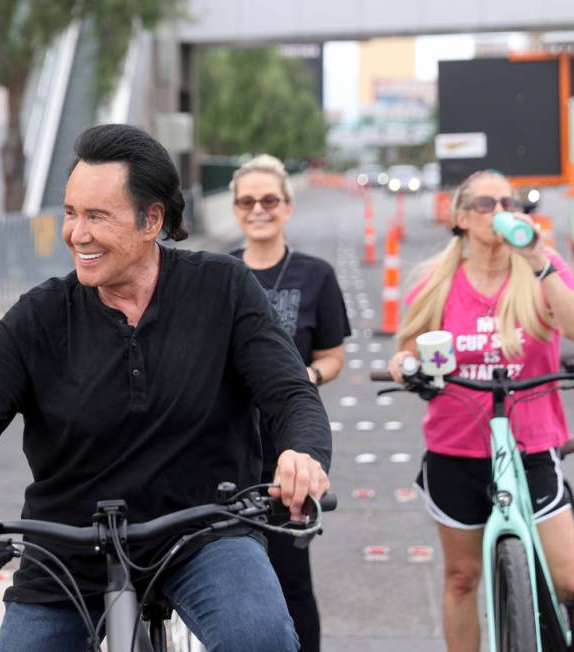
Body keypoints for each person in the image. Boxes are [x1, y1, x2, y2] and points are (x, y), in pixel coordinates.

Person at [0, 124, 331, 651]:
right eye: (71, 213)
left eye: (97, 216)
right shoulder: (39, 316)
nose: (77, 233)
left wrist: (302, 454)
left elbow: (290, 393)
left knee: (260, 638)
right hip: (68, 548)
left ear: (152, 220)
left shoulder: (225, 287)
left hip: (205, 534)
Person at [386, 169, 574, 652]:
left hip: (531, 445)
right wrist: (403, 365)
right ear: (460, 218)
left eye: (509, 204)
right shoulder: (436, 282)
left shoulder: (542, 267)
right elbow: (407, 348)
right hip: (455, 448)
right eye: (486, 205)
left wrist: (538, 259)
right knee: (461, 578)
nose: (500, 214)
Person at [228, 155, 350, 652]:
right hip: (226, 439)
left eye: (270, 200)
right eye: (248, 201)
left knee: (290, 575)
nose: (259, 209)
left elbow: (334, 355)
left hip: (286, 444)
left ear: (287, 206)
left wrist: (305, 376)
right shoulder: (218, 274)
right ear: (235, 209)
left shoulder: (315, 274)